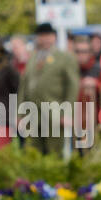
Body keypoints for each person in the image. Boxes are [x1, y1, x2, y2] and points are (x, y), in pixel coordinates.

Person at [17, 23, 80, 154]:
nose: (45, 39)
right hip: (32, 114)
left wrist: (67, 113)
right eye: (41, 36)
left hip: (55, 113)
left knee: (54, 154)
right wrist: (20, 113)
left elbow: (72, 87)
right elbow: (24, 86)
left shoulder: (65, 58)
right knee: (32, 154)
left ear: (54, 37)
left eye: (48, 35)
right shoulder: (33, 57)